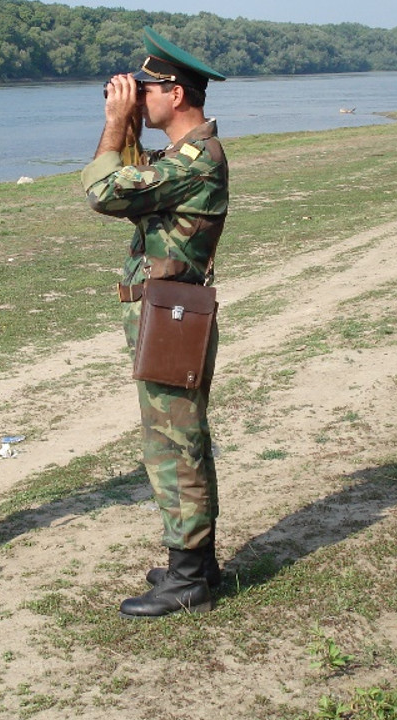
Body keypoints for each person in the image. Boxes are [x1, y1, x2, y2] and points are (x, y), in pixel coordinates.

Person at [82, 27, 228, 618]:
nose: (137, 98)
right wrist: (130, 130)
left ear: (177, 94)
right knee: (175, 437)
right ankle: (196, 561)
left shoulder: (197, 160)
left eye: (146, 90)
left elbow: (101, 191)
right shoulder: (180, 157)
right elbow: (127, 189)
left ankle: (190, 573)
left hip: (172, 313)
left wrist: (116, 126)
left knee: (174, 442)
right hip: (166, 308)